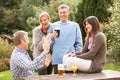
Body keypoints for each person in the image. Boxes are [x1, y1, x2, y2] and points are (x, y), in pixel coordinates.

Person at [48, 4, 83, 74]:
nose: (62, 14)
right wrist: (51, 38)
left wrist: (77, 56)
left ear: (68, 13)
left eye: (64, 12)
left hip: (71, 59)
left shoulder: (75, 26)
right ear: (58, 13)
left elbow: (79, 44)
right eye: (60, 12)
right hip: (57, 60)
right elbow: (48, 44)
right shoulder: (53, 26)